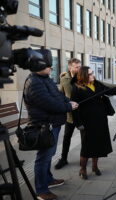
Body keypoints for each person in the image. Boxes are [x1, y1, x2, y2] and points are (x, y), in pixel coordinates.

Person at [23, 49, 78, 200]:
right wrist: (68, 107)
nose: (51, 68)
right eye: (49, 65)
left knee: (49, 155)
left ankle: (48, 180)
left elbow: (57, 95)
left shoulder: (45, 78)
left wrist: (68, 101)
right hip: (44, 125)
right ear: (39, 66)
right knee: (44, 157)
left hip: (52, 123)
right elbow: (49, 104)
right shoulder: (34, 82)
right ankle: (41, 191)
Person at [71, 66, 116, 180]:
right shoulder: (76, 88)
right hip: (87, 122)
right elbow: (74, 107)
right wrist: (78, 123)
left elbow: (111, 91)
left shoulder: (97, 84)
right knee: (86, 147)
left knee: (98, 144)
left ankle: (95, 166)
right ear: (83, 76)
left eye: (92, 73)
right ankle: (83, 168)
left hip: (100, 119)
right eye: (90, 74)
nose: (93, 75)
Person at [55, 58, 81, 169]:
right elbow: (61, 93)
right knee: (66, 137)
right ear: (70, 67)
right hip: (70, 115)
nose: (79, 68)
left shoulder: (83, 77)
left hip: (82, 114)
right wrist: (65, 102)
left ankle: (84, 158)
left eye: (80, 66)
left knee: (85, 138)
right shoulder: (64, 79)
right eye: (77, 67)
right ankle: (63, 158)